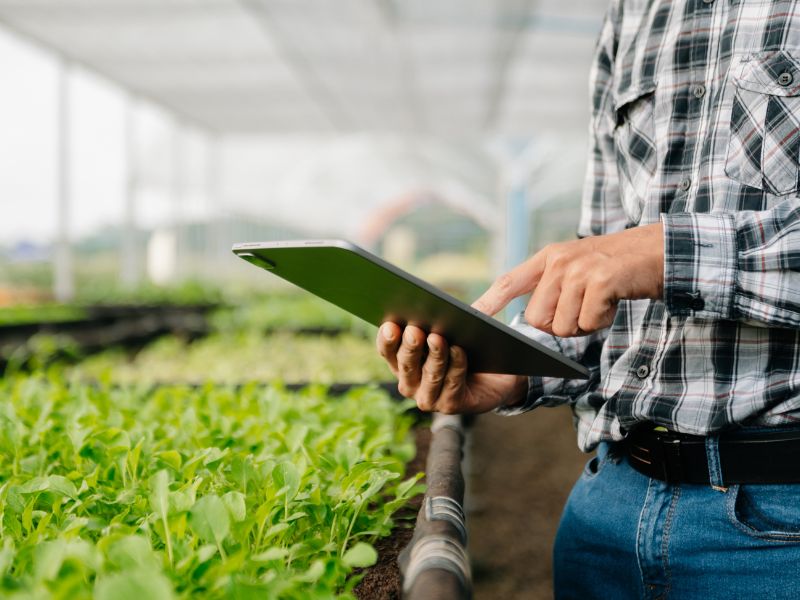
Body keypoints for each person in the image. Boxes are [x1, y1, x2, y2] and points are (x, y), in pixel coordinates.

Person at [376, 1, 800, 598]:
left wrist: (664, 254)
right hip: (609, 507)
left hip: (780, 526)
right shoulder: (635, 14)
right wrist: (516, 368)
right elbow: (606, 273)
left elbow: (639, 256)